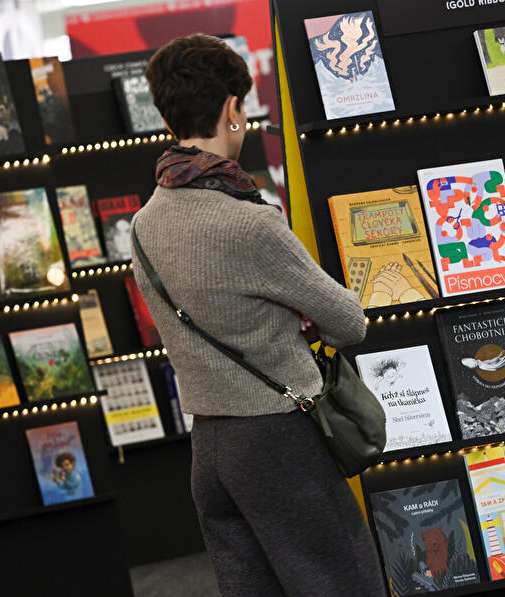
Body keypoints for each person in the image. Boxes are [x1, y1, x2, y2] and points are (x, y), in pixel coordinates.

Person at [133, 34, 387, 596]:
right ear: (231, 110)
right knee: (342, 583)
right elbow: (349, 322)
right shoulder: (249, 222)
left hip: (210, 449)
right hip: (278, 440)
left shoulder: (145, 223)